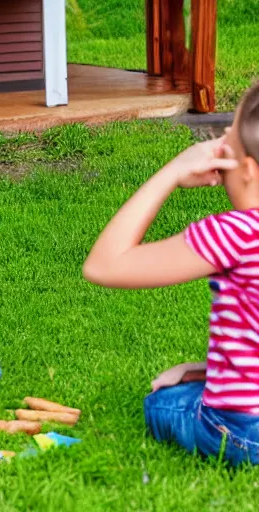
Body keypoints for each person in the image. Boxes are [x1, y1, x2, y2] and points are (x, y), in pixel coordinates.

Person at [83, 83, 259, 466]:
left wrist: (173, 171)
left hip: (245, 431)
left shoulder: (238, 233)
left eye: (230, 127)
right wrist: (201, 370)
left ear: (246, 169)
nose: (222, 135)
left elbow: (103, 265)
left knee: (162, 402)